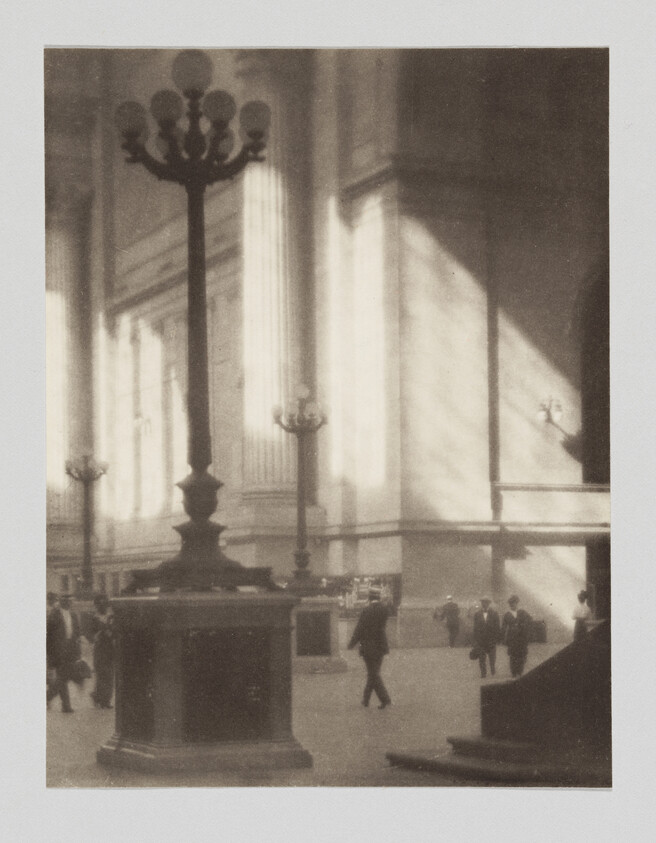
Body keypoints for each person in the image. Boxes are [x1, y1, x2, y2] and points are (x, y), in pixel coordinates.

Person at [348, 587, 392, 709]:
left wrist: (351, 643)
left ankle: (385, 699)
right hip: (381, 646)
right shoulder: (384, 610)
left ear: (369, 597)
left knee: (373, 674)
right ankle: (366, 700)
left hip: (368, 647)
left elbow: (359, 629)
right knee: (373, 673)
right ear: (378, 597)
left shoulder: (366, 611)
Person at [46, 594, 81, 713]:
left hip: (70, 650)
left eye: (69, 600)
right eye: (65, 600)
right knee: (63, 677)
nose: (68, 603)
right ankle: (65, 705)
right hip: (58, 651)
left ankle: (50, 698)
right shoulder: (53, 615)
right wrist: (49, 653)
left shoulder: (73, 615)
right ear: (61, 602)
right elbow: (48, 635)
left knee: (63, 677)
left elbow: (77, 633)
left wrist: (77, 651)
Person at [88, 593, 115, 708]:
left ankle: (104, 699)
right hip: (99, 649)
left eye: (105, 605)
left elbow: (115, 632)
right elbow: (89, 634)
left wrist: (111, 633)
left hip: (109, 649)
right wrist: (95, 636)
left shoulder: (111, 618)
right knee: (101, 675)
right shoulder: (94, 618)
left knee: (109, 675)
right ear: (97, 606)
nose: (103, 607)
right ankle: (99, 698)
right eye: (100, 605)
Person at [502, 594, 532, 678]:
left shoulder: (522, 612)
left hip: (521, 637)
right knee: (513, 656)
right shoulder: (507, 615)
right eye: (511, 604)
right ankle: (514, 672)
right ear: (509, 605)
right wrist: (504, 638)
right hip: (512, 638)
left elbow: (530, 620)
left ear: (517, 604)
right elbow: (504, 627)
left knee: (521, 655)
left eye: (514, 603)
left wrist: (523, 625)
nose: (512, 605)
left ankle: (520, 671)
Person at [472, 597, 501, 678]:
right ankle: (483, 673)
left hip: (491, 639)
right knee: (481, 658)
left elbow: (497, 627)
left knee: (492, 657)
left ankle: (492, 668)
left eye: (486, 603)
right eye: (482, 603)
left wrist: (496, 639)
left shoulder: (494, 614)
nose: (484, 604)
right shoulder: (477, 614)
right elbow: (475, 628)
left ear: (488, 604)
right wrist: (475, 640)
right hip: (481, 640)